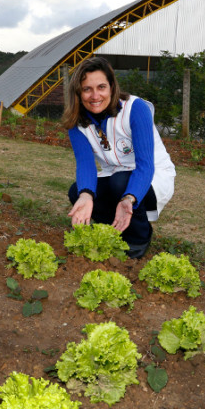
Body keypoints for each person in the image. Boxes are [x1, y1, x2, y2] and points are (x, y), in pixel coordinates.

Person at [63, 57, 176, 259]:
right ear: (78, 93)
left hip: (152, 175)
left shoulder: (135, 108)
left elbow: (145, 166)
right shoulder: (76, 122)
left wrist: (128, 198)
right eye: (87, 89)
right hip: (115, 173)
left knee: (120, 183)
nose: (95, 95)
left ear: (112, 87)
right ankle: (117, 228)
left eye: (101, 87)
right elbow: (85, 164)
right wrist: (86, 196)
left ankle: (139, 237)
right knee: (77, 192)